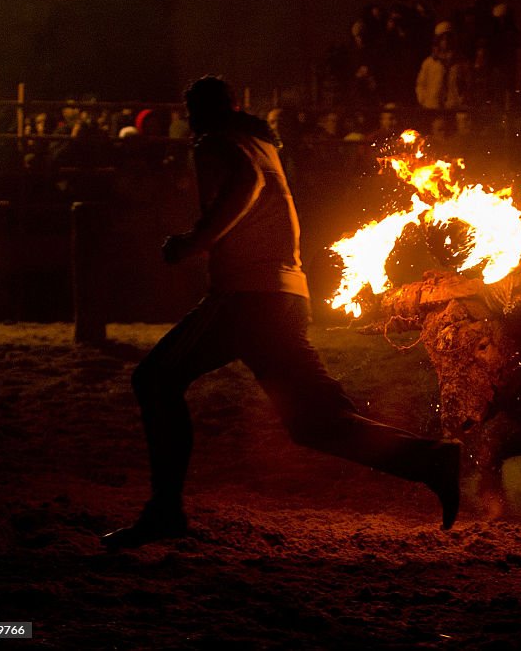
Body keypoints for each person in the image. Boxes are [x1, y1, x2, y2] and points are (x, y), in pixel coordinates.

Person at [101, 76, 461, 550]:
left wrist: (196, 241)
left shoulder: (223, 142)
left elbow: (245, 185)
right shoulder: (257, 142)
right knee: (314, 422)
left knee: (154, 380)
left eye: (195, 109)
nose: (191, 118)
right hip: (283, 297)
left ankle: (165, 511)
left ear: (208, 112)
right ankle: (430, 459)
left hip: (247, 298)